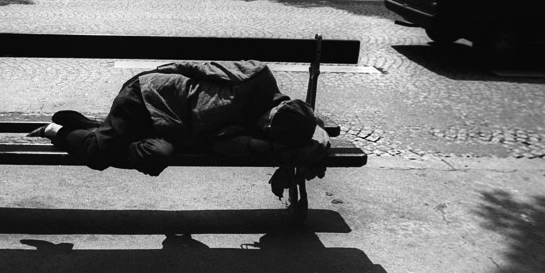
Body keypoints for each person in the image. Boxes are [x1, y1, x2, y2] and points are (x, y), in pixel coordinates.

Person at [29, 60, 330, 178]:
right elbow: (200, 67)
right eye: (268, 122)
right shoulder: (256, 77)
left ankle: (94, 128)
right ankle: (57, 130)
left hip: (171, 128)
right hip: (147, 97)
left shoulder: (271, 130)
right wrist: (162, 72)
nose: (262, 126)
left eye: (269, 131)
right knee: (98, 156)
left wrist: (268, 146)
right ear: (278, 108)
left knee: (156, 158)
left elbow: (318, 133)